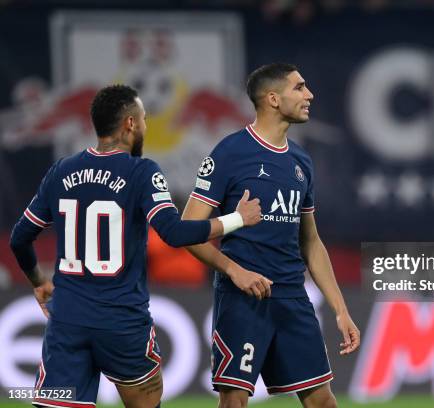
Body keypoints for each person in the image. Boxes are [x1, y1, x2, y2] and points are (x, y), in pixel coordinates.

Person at [9, 84, 262, 408]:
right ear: (129, 123)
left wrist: (38, 281)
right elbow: (173, 232)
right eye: (143, 119)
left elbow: (20, 239)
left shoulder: (62, 170)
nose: (145, 126)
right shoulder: (141, 172)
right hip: (122, 323)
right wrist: (236, 219)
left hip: (67, 321)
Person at [181, 63, 360, 408]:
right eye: (300, 88)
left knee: (323, 401)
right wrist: (234, 270)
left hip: (292, 299)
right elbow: (189, 230)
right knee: (234, 402)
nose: (310, 95)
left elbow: (311, 241)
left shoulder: (301, 162)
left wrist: (340, 309)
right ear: (273, 98)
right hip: (242, 300)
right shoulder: (229, 153)